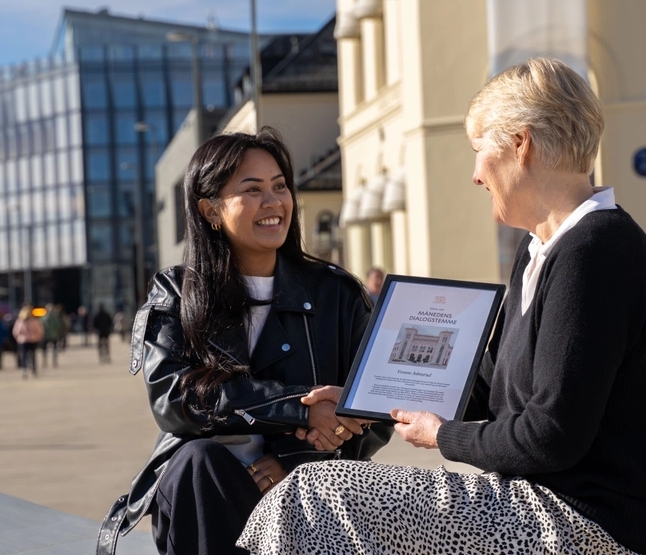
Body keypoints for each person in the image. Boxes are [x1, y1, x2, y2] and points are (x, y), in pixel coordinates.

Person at [238, 58, 646, 555]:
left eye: (479, 151)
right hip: (543, 507)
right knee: (314, 496)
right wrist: (365, 399)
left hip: (587, 526)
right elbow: (484, 382)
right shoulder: (544, 247)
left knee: (316, 495)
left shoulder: (594, 253)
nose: (476, 175)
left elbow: (551, 437)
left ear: (521, 145)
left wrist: (443, 436)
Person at [96, 127, 392, 555]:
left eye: (279, 187)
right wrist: (300, 409)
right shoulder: (177, 293)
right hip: (201, 488)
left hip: (307, 490)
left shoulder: (337, 294)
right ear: (210, 210)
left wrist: (292, 463)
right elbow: (174, 400)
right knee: (199, 464)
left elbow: (375, 406)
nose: (273, 202)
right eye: (251, 190)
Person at [12, 305, 44, 378]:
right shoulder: (34, 321)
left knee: (24, 355)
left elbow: (16, 331)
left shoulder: (20, 321)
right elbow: (39, 330)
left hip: (23, 340)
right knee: (32, 355)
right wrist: (37, 337)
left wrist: (18, 338)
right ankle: (33, 369)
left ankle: (24, 369)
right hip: (33, 340)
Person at [41, 303, 65, 368]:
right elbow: (59, 326)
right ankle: (54, 361)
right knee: (54, 349)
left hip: (45, 336)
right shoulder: (55, 318)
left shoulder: (43, 318)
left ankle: (45, 361)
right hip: (53, 335)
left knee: (45, 350)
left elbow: (40, 327)